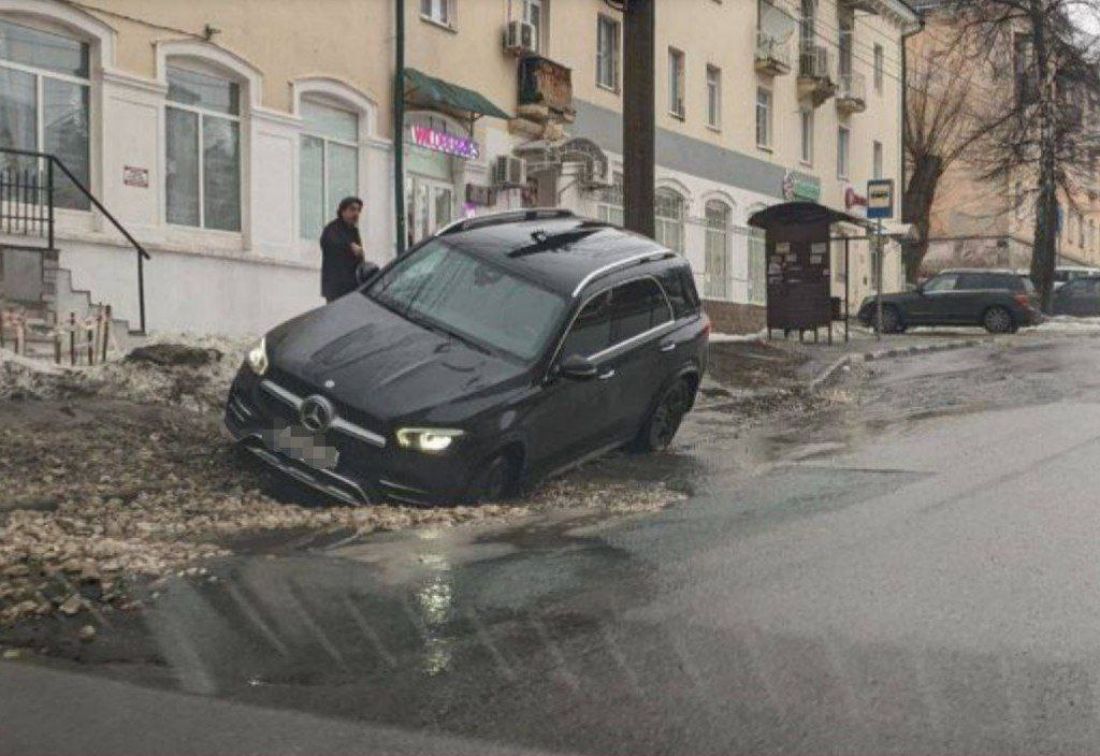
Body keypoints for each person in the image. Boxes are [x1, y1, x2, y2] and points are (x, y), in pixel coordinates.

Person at [320, 196, 368, 303]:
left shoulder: (354, 231)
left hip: (352, 287)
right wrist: (349, 246)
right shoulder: (332, 229)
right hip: (336, 289)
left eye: (358, 210)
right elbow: (329, 243)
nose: (356, 214)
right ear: (343, 211)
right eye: (352, 209)